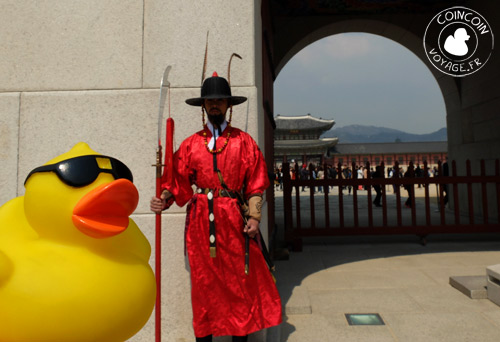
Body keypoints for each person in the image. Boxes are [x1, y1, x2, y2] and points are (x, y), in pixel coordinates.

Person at [150, 72, 282, 342]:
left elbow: (256, 183)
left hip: (234, 219)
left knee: (238, 284)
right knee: (204, 285)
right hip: (200, 222)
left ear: (228, 105)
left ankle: (240, 338)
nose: (215, 105)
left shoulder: (244, 142)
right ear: (203, 105)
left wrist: (254, 218)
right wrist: (163, 198)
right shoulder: (190, 145)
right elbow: (178, 182)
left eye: (220, 100)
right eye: (210, 100)